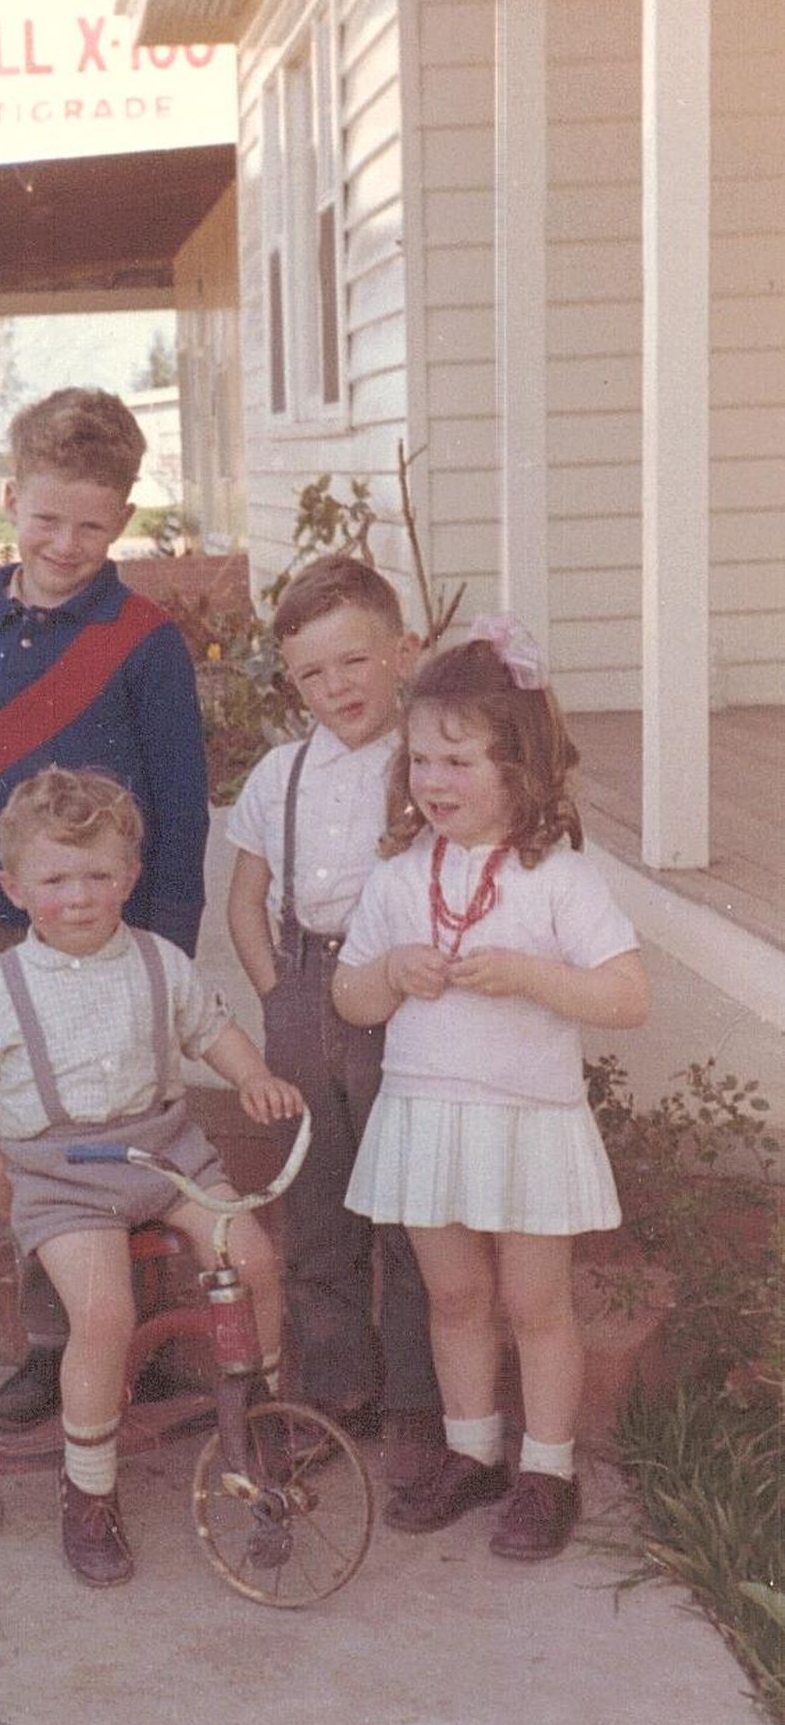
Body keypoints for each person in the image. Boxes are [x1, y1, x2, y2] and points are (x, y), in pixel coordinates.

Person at [0, 387, 210, 1436]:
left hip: (125, 929)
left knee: (143, 1123)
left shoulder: (145, 639)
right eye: (45, 518)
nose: (65, 543)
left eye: (91, 524)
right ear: (10, 500)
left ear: (122, 521)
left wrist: (165, 942)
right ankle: (56, 1343)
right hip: (2, 923)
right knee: (33, 1134)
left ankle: (165, 1336)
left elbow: (180, 801)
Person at [0, 768, 304, 1588]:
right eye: (56, 879)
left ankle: (261, 1413)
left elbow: (212, 1030)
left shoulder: (157, 960)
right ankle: (89, 1489)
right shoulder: (6, 984)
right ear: (15, 888)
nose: (79, 896)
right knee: (105, 1311)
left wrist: (250, 1077)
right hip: (60, 1172)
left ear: (129, 878)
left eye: (99, 876)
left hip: (166, 1151)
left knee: (255, 1260)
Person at [332, 617, 649, 1559]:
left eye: (459, 761)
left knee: (535, 1304)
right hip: (428, 1115)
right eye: (421, 759)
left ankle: (546, 1470)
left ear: (521, 766)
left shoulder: (560, 878)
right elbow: (350, 997)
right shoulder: (397, 876)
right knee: (455, 1296)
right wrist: (391, 972)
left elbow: (628, 996)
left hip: (526, 1120)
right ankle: (473, 1455)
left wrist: (534, 976)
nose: (434, 781)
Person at [225, 556, 443, 1490]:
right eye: (311, 674)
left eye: (353, 662)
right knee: (316, 1207)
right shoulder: (284, 771)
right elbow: (246, 898)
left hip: (409, 999)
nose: (336, 688)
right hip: (308, 992)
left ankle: (417, 1409)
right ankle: (340, 1395)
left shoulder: (433, 756)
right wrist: (279, 991)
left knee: (407, 1211)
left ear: (403, 652)